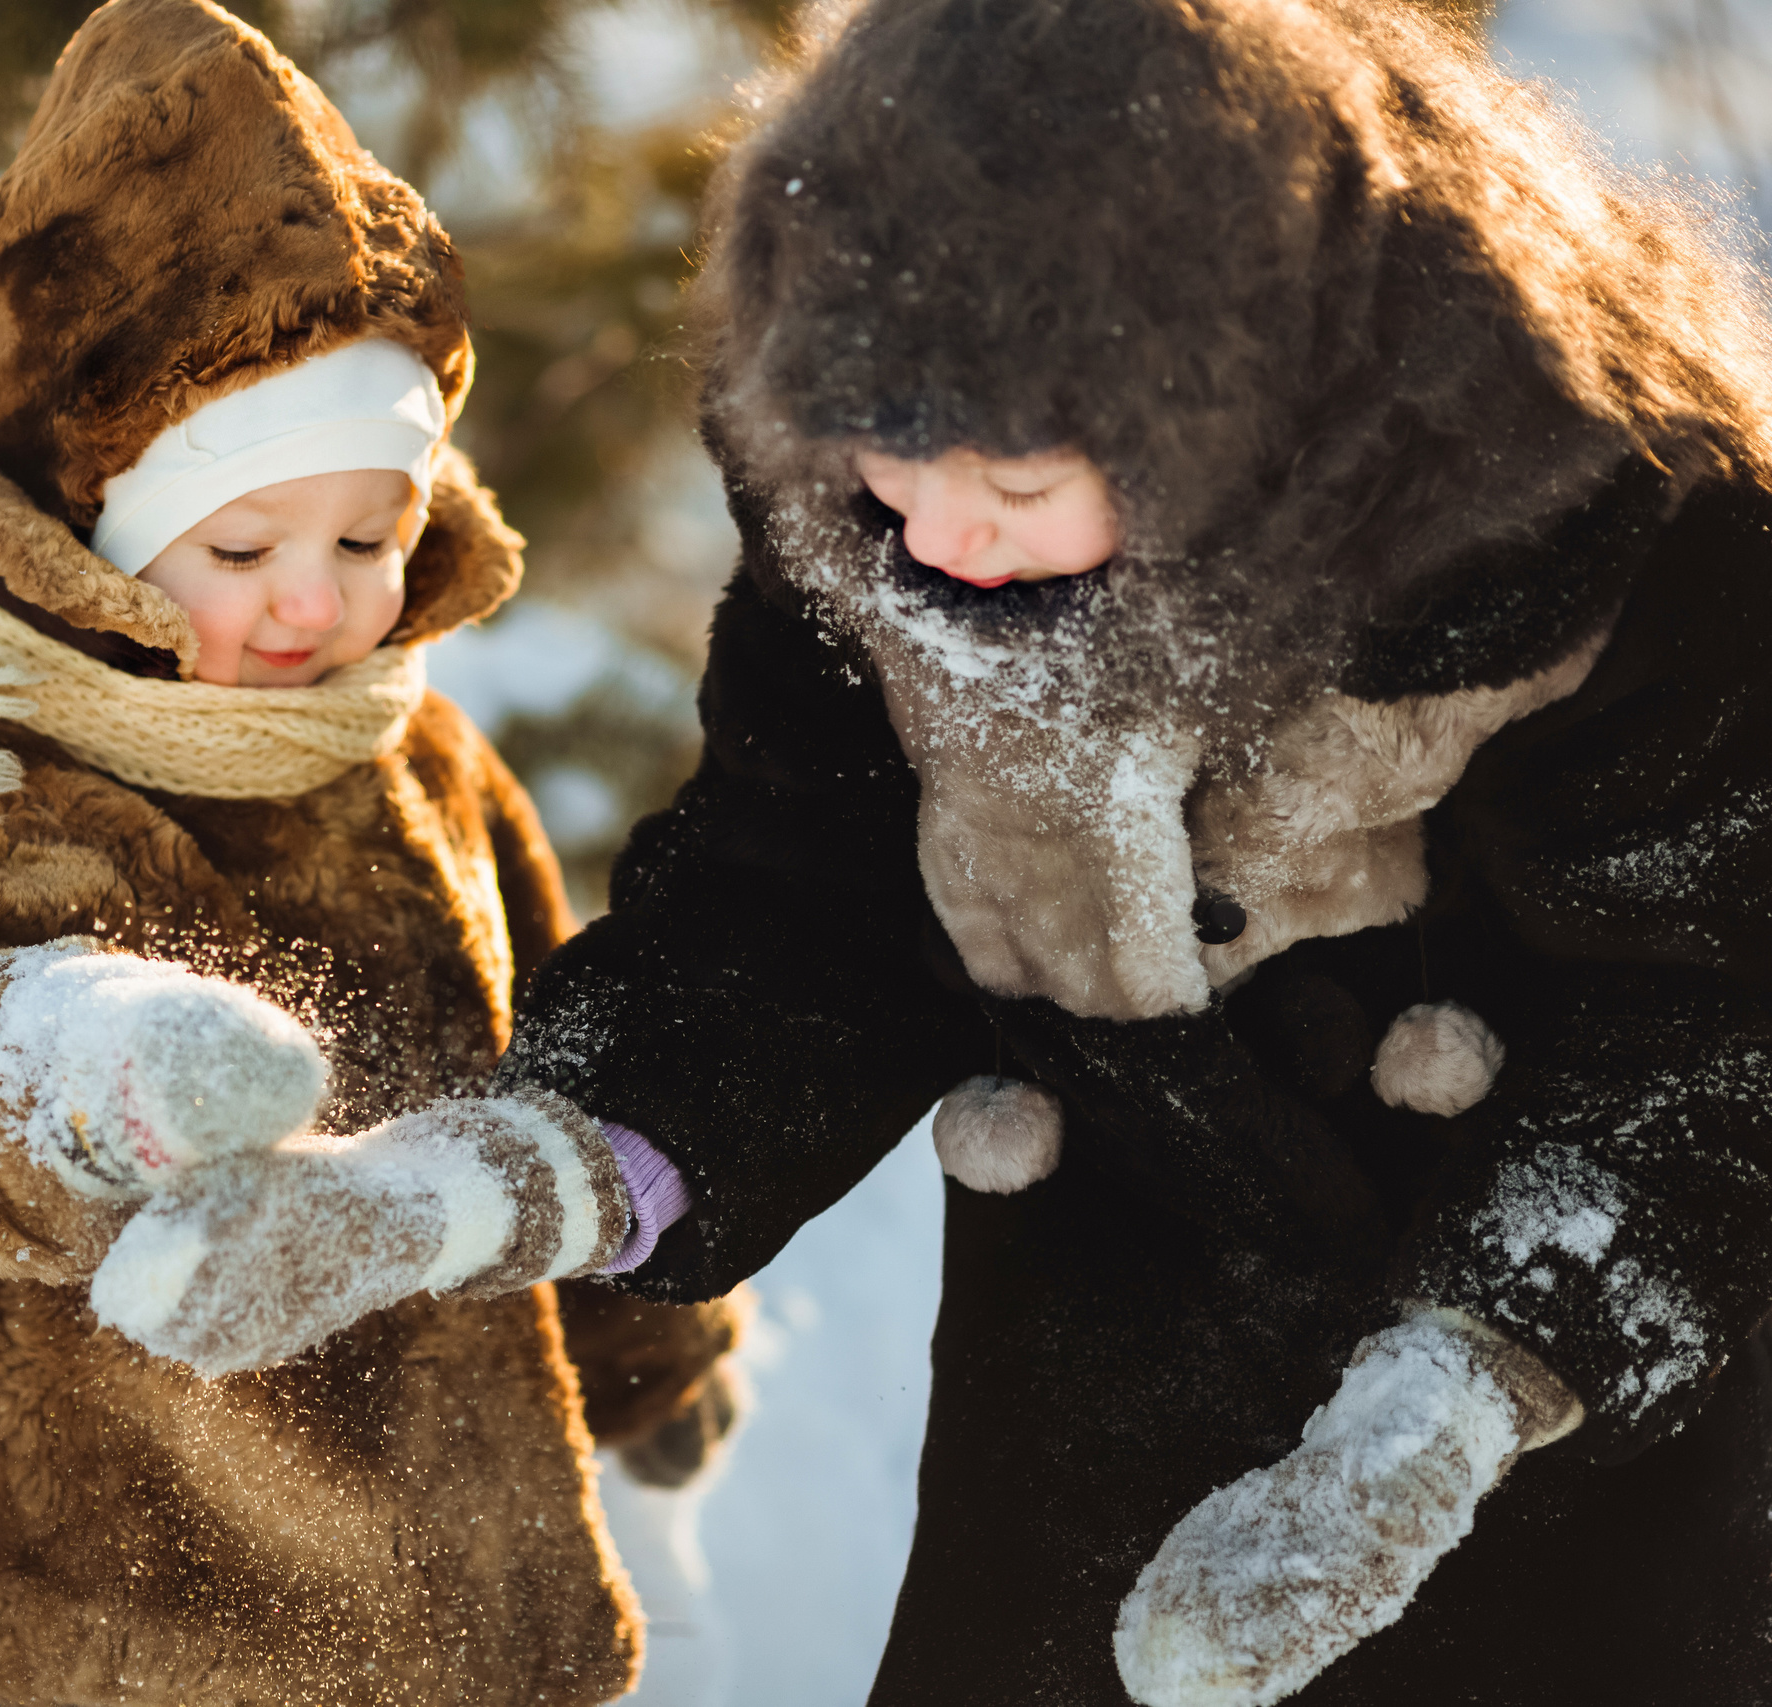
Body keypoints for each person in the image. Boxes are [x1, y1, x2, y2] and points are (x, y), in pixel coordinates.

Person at [91, 0, 1772, 1699]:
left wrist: (1425, 1432)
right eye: (892, 463)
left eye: (1018, 480)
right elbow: (789, 907)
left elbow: (1712, 1034)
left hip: (1545, 1405)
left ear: (1227, 395)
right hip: (1103, 1364)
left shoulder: (1611, 538)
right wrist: (491, 1183)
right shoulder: (867, 522)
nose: (940, 536)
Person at [0, 2, 743, 1700]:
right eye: (244, 537)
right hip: (126, 1609)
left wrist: (647, 1338)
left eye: (368, 532)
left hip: (451, 1571)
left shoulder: (406, 742)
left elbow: (548, 1052)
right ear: (95, 528)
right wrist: (101, 1067)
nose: (315, 597)